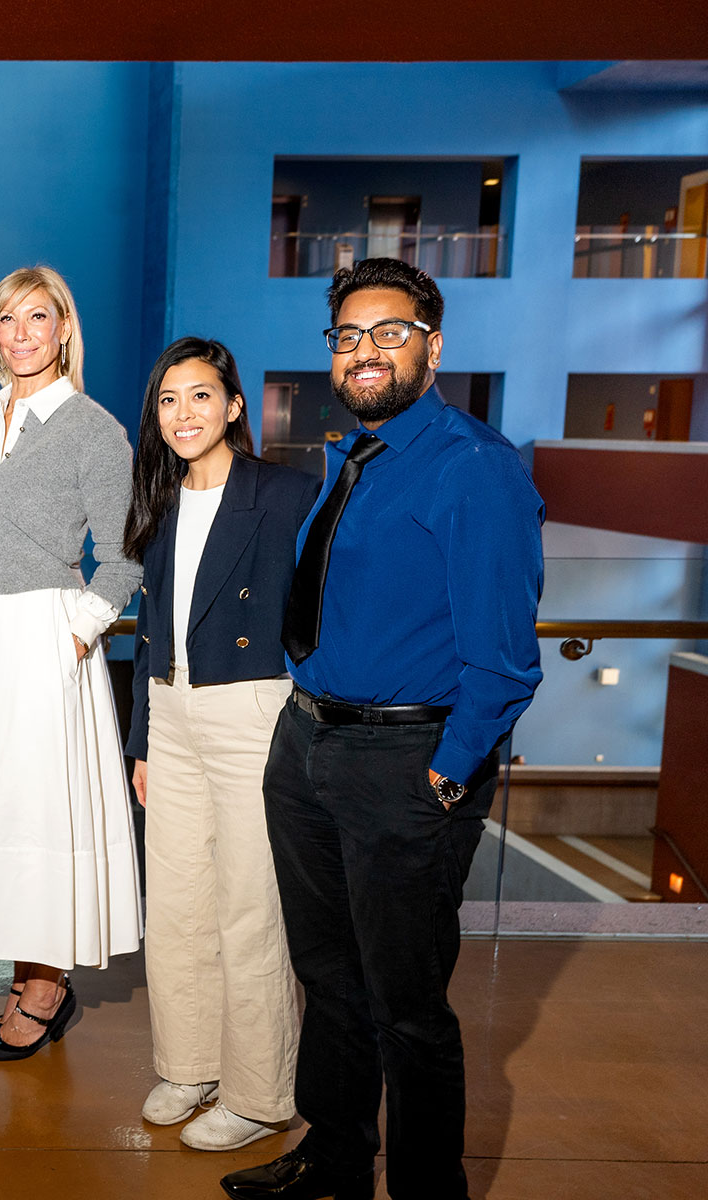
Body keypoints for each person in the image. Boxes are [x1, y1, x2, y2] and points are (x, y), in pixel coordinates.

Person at [222, 258, 543, 1200]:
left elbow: (505, 659)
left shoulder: (474, 470)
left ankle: (425, 1187)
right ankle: (335, 1156)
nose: (367, 352)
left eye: (390, 332)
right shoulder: (353, 459)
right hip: (310, 746)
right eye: (349, 336)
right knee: (327, 978)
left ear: (433, 346)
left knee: (408, 1008)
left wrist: (447, 775)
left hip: (407, 763)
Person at [0, 265, 143, 1061]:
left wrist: (74, 636)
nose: (21, 334)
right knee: (5, 818)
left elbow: (121, 560)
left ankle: (46, 987)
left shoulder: (94, 430)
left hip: (45, 642)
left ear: (63, 330)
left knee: (44, 819)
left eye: (37, 318)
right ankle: (27, 972)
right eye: (7, 320)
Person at [120, 338, 318, 1149]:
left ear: (235, 405)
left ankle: (262, 1093)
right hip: (172, 713)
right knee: (175, 907)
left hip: (250, 711)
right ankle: (192, 1063)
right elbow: (150, 628)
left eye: (200, 396)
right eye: (168, 401)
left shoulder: (286, 493)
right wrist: (139, 738)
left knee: (250, 910)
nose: (183, 414)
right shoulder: (161, 500)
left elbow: (317, 612)